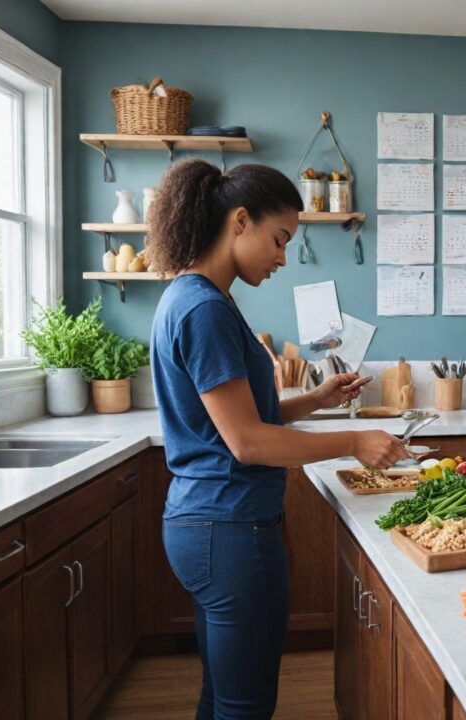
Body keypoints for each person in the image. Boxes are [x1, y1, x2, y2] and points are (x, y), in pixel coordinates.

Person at [147, 159, 409, 719]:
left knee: (221, 694)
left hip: (207, 521)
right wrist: (355, 441)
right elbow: (248, 444)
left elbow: (236, 423)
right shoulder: (205, 309)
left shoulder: (193, 297)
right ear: (241, 220)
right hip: (229, 527)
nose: (283, 258)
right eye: (279, 239)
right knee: (246, 705)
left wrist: (314, 401)